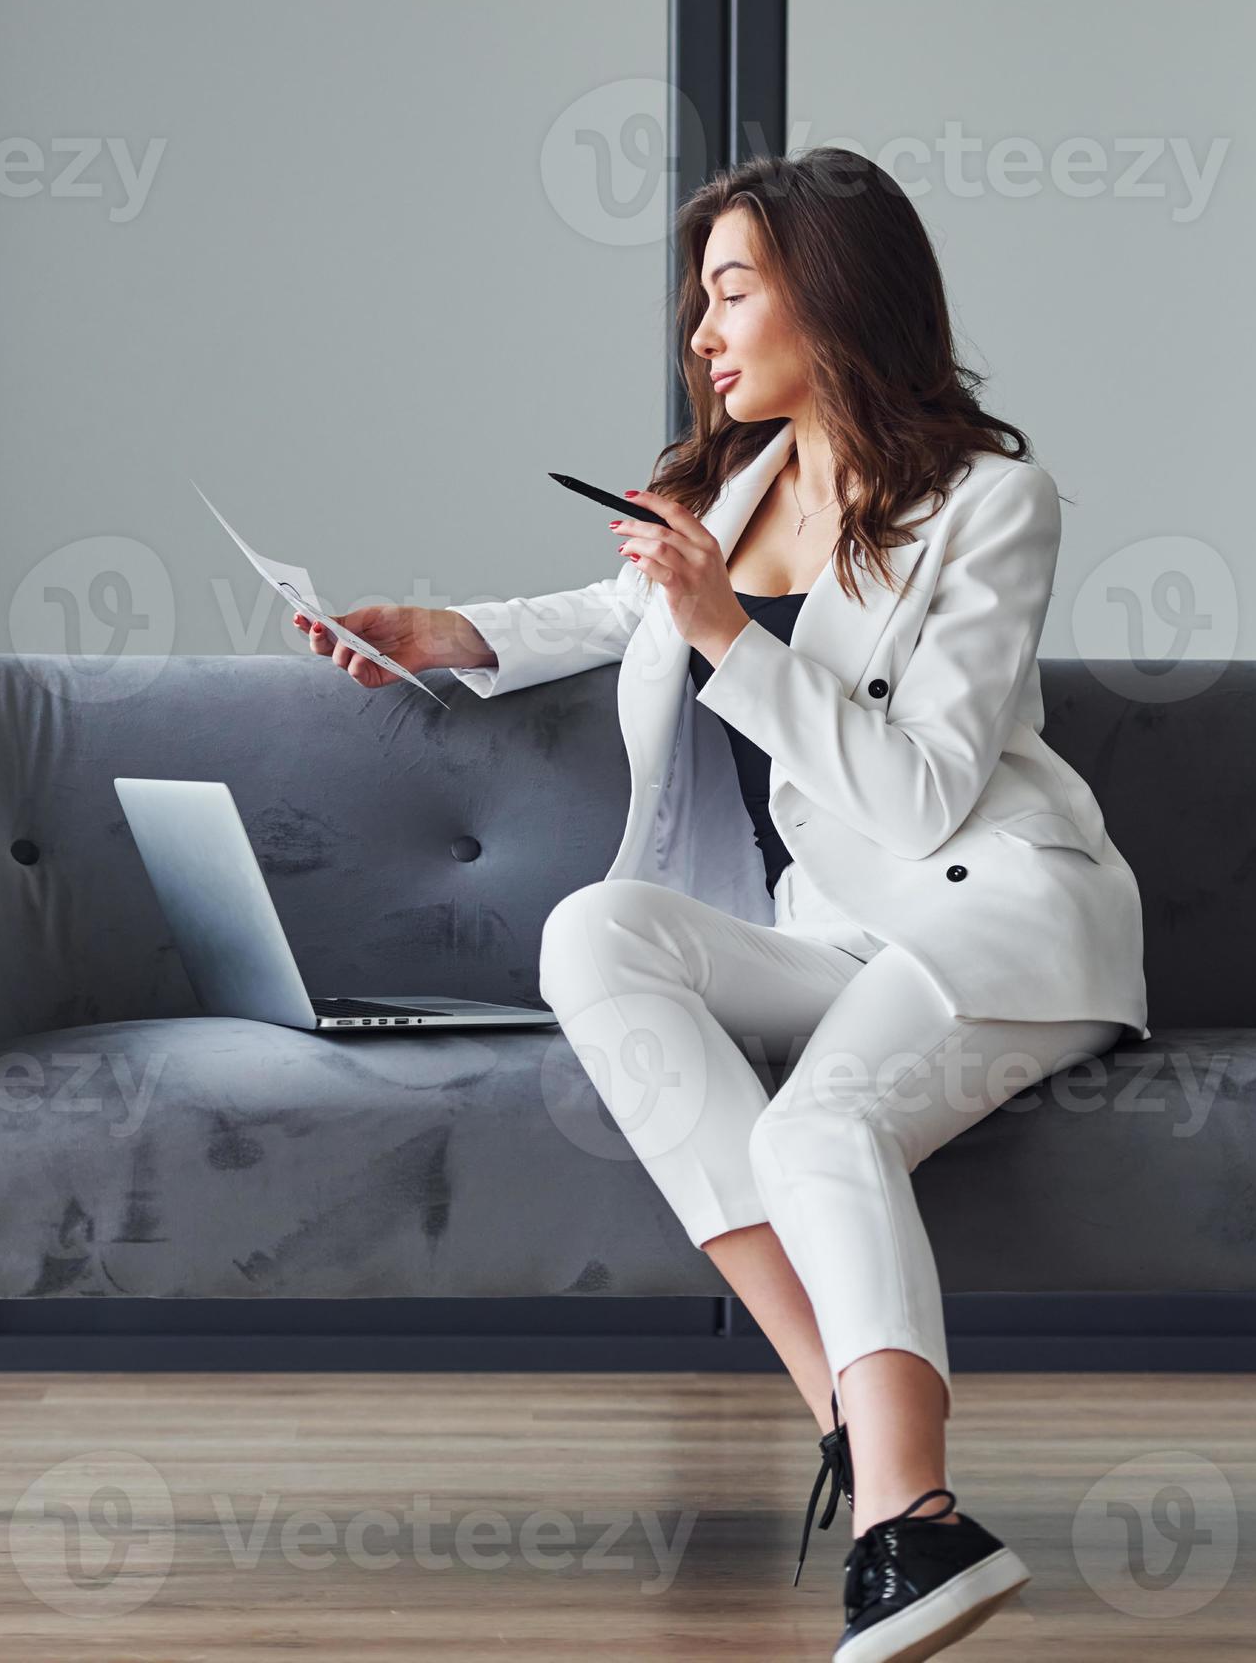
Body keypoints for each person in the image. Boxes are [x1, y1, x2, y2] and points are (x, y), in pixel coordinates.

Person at [291, 147, 1148, 1662]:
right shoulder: (736, 490)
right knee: (593, 931)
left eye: (733, 290)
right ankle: (864, 1443)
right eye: (703, 297)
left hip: (994, 914)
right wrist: (444, 631)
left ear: (835, 297)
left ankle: (914, 1517)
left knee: (823, 1126)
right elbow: (610, 609)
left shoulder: (993, 504)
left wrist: (726, 640)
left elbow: (923, 793)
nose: (702, 331)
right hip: (838, 935)